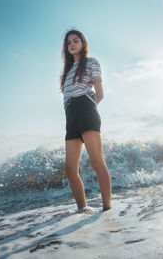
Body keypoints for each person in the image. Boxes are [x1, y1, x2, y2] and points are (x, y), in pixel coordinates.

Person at [60, 29, 111, 211]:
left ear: (83, 44)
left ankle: (107, 210)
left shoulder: (91, 62)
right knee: (70, 170)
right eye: (68, 42)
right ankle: (82, 210)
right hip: (70, 117)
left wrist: (89, 108)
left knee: (97, 162)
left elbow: (100, 94)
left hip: (86, 111)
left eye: (75, 40)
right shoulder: (66, 72)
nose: (72, 44)